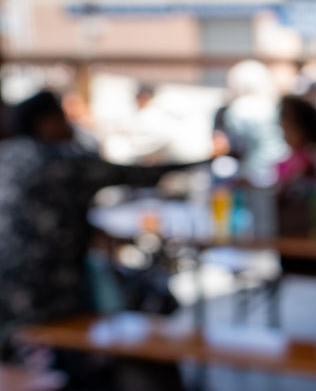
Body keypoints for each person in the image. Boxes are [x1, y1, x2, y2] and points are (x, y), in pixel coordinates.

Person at [0, 90, 206, 357]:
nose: (68, 124)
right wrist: (207, 161)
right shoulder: (61, 160)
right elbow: (137, 174)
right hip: (45, 293)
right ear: (45, 121)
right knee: (124, 302)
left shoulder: (8, 156)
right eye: (61, 117)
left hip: (6, 292)